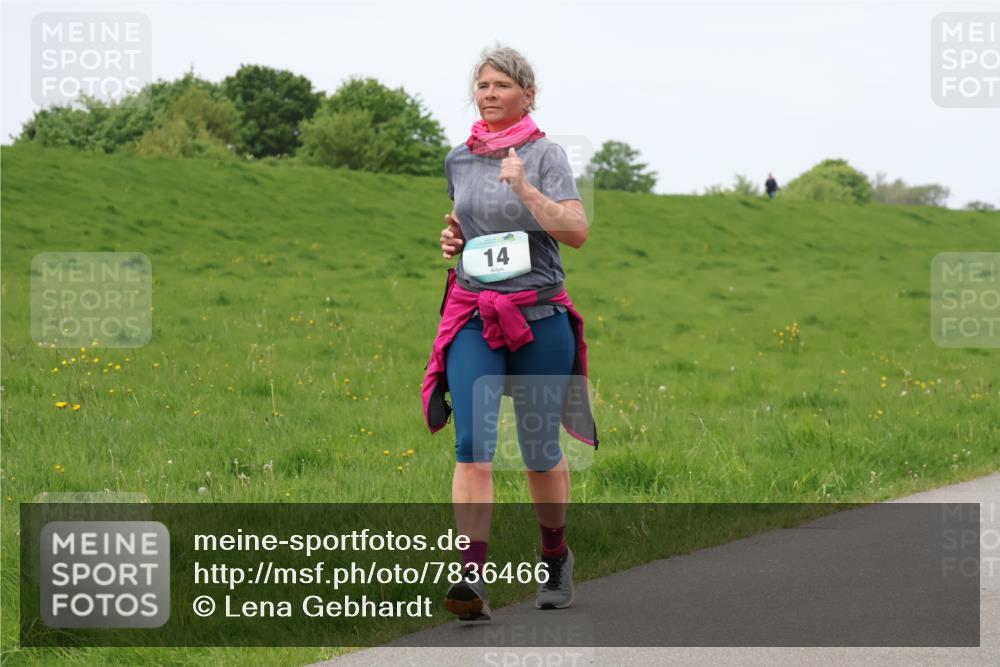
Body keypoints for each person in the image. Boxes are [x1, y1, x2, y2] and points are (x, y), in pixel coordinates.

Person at [420, 44, 599, 622]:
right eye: (482, 85)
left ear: (527, 93)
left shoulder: (545, 155)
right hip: (475, 313)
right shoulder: (459, 159)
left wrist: (524, 188)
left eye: (501, 85)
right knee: (471, 447)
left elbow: (575, 231)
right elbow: (466, 224)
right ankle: (471, 579)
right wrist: (453, 240)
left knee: (540, 451)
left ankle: (554, 559)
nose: (489, 94)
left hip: (539, 318)